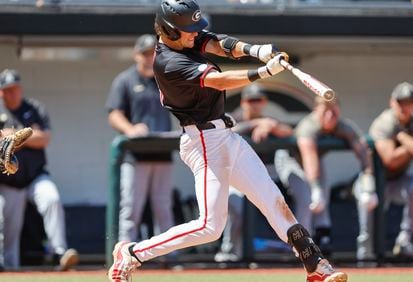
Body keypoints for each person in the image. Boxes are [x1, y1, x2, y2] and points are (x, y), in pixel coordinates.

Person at [108, 1, 347, 281]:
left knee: (271, 198)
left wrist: (256, 51)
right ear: (169, 31)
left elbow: (219, 44)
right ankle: (133, 252)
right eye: (188, 30)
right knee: (210, 226)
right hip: (204, 142)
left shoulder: (187, 41)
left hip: (224, 136)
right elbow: (220, 81)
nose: (195, 34)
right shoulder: (169, 62)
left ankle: (315, 264)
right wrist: (263, 71)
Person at [0, 69, 78, 270]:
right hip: (8, 180)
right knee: (9, 227)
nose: (13, 93)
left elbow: (44, 138)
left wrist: (14, 137)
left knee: (52, 199)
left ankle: (60, 253)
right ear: (1, 92)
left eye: (16, 88)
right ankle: (9, 268)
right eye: (8, 89)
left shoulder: (33, 108)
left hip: (36, 176)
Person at [214, 83, 298, 262]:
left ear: (264, 102)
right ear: (243, 102)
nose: (254, 104)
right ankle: (230, 250)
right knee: (236, 204)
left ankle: (296, 248)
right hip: (236, 174)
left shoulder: (269, 120)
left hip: (266, 173)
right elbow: (228, 132)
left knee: (282, 203)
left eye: (258, 100)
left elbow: (290, 133)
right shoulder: (233, 118)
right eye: (251, 100)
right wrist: (257, 123)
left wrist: (272, 126)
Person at [283, 97, 375, 260]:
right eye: (326, 110)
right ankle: (300, 249)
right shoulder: (308, 126)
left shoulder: (343, 125)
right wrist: (316, 188)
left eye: (334, 110)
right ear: (316, 110)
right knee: (307, 199)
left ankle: (322, 240)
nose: (330, 115)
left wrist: (369, 184)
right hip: (291, 161)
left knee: (321, 201)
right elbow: (309, 155)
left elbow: (363, 151)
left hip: (316, 163)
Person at [106, 34, 176, 244]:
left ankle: (168, 254)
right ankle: (125, 252)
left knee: (163, 207)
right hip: (135, 155)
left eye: (153, 53)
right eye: (145, 53)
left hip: (162, 153)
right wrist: (130, 129)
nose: (149, 57)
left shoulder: (164, 79)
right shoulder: (125, 80)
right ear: (137, 55)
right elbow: (113, 113)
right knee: (131, 207)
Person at [365, 82, 413, 259]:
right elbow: (390, 160)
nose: (404, 107)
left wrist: (403, 137)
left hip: (399, 179)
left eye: (409, 102)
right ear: (392, 102)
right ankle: (365, 254)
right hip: (372, 179)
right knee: (366, 204)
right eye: (400, 102)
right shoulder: (384, 122)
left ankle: (406, 239)